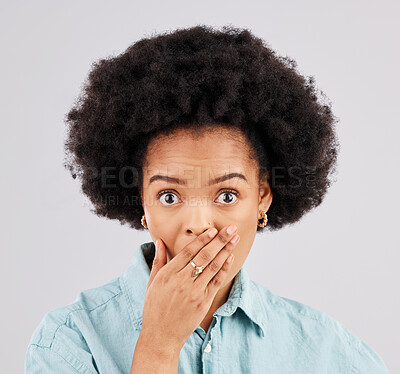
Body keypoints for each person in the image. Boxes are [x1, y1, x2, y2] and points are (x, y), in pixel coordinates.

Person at [25, 24, 389, 373]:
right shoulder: (70, 342)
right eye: (169, 196)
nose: (198, 224)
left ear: (262, 198)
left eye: (227, 195)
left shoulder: (330, 354)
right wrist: (158, 345)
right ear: (142, 203)